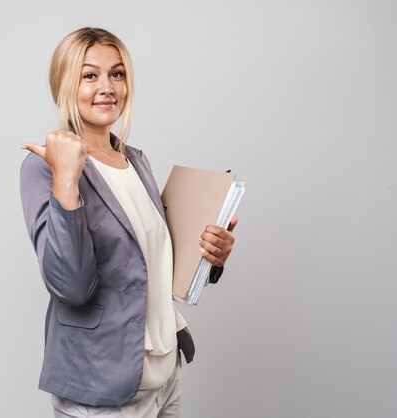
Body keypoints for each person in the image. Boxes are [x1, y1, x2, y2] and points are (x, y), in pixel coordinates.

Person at [20, 27, 237, 418]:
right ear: (64, 83)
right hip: (103, 386)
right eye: (90, 75)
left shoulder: (135, 160)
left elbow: (150, 262)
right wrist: (67, 179)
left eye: (116, 74)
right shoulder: (42, 169)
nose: (107, 87)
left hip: (165, 373)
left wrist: (211, 258)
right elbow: (71, 286)